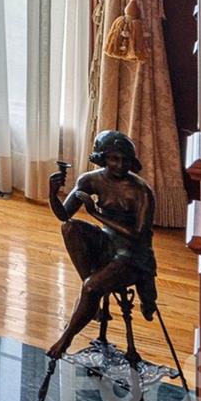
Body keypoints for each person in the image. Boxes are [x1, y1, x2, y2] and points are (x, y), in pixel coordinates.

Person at [44, 128, 160, 360]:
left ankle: (66, 337)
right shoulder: (90, 180)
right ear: (103, 158)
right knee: (70, 228)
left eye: (125, 160)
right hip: (108, 243)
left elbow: (138, 235)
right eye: (114, 159)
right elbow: (64, 216)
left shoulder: (141, 191)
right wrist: (53, 194)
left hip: (132, 253)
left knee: (90, 288)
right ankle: (92, 295)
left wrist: (95, 214)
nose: (120, 165)